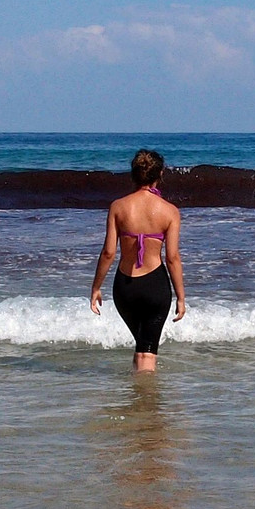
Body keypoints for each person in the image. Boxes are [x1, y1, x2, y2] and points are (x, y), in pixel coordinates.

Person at [90, 149, 186, 371]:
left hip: (125, 287)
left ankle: (136, 398)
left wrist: (96, 287)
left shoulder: (118, 206)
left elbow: (108, 253)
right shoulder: (170, 212)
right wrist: (181, 297)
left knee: (142, 345)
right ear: (160, 174)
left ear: (133, 174)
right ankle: (145, 400)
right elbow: (172, 258)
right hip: (155, 286)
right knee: (147, 350)